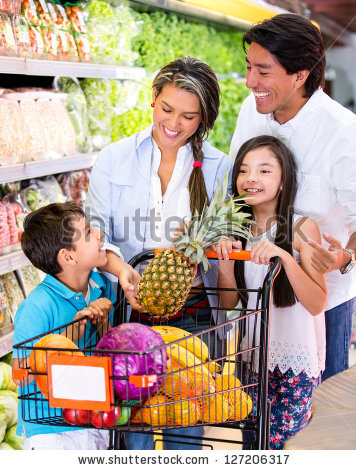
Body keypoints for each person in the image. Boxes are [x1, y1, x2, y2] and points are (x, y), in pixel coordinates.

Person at [86, 56, 232, 450]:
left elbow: (229, 235)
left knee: (185, 421)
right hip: (128, 312)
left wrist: (199, 247)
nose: (174, 123)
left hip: (195, 314)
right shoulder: (115, 157)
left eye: (189, 116)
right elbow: (94, 232)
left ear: (203, 118)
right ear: (153, 98)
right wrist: (122, 270)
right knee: (133, 422)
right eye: (167, 109)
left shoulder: (220, 166)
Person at [229, 14, 356, 381]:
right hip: (258, 292)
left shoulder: (346, 134)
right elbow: (237, 188)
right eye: (248, 68)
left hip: (320, 302)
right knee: (254, 411)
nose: (250, 82)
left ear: (300, 75)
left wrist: (346, 256)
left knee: (318, 411)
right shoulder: (250, 111)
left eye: (263, 71)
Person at [217, 135, 327, 449]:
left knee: (284, 448)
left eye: (264, 170)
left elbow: (317, 302)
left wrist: (285, 258)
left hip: (292, 363)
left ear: (283, 181)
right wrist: (225, 261)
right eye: (243, 170)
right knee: (253, 445)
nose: (251, 177)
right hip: (249, 358)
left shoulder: (301, 227)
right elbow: (229, 302)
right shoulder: (236, 228)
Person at [12, 202, 119, 450]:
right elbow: (20, 376)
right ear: (68, 256)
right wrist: (67, 337)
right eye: (89, 232)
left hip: (92, 417)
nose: (100, 235)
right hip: (50, 430)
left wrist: (103, 325)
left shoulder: (102, 287)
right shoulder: (36, 307)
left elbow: (108, 351)